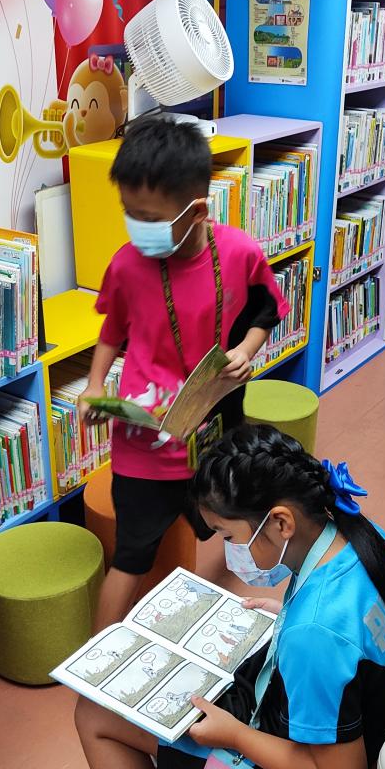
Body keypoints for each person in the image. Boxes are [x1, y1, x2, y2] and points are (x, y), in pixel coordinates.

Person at [74, 425, 385, 769]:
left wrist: (235, 736)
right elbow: (351, 638)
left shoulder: (313, 635)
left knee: (93, 714)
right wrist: (289, 613)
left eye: (228, 536)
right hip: (365, 715)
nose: (229, 549)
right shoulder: (361, 534)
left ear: (281, 523)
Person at [79, 117, 288, 628]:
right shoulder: (126, 265)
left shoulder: (239, 253)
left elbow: (265, 310)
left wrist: (246, 350)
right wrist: (94, 385)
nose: (136, 226)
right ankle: (96, 654)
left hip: (215, 429)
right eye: (129, 213)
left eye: (149, 217)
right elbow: (112, 330)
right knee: (131, 558)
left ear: (197, 211)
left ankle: (248, 616)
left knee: (238, 524)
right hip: (144, 446)